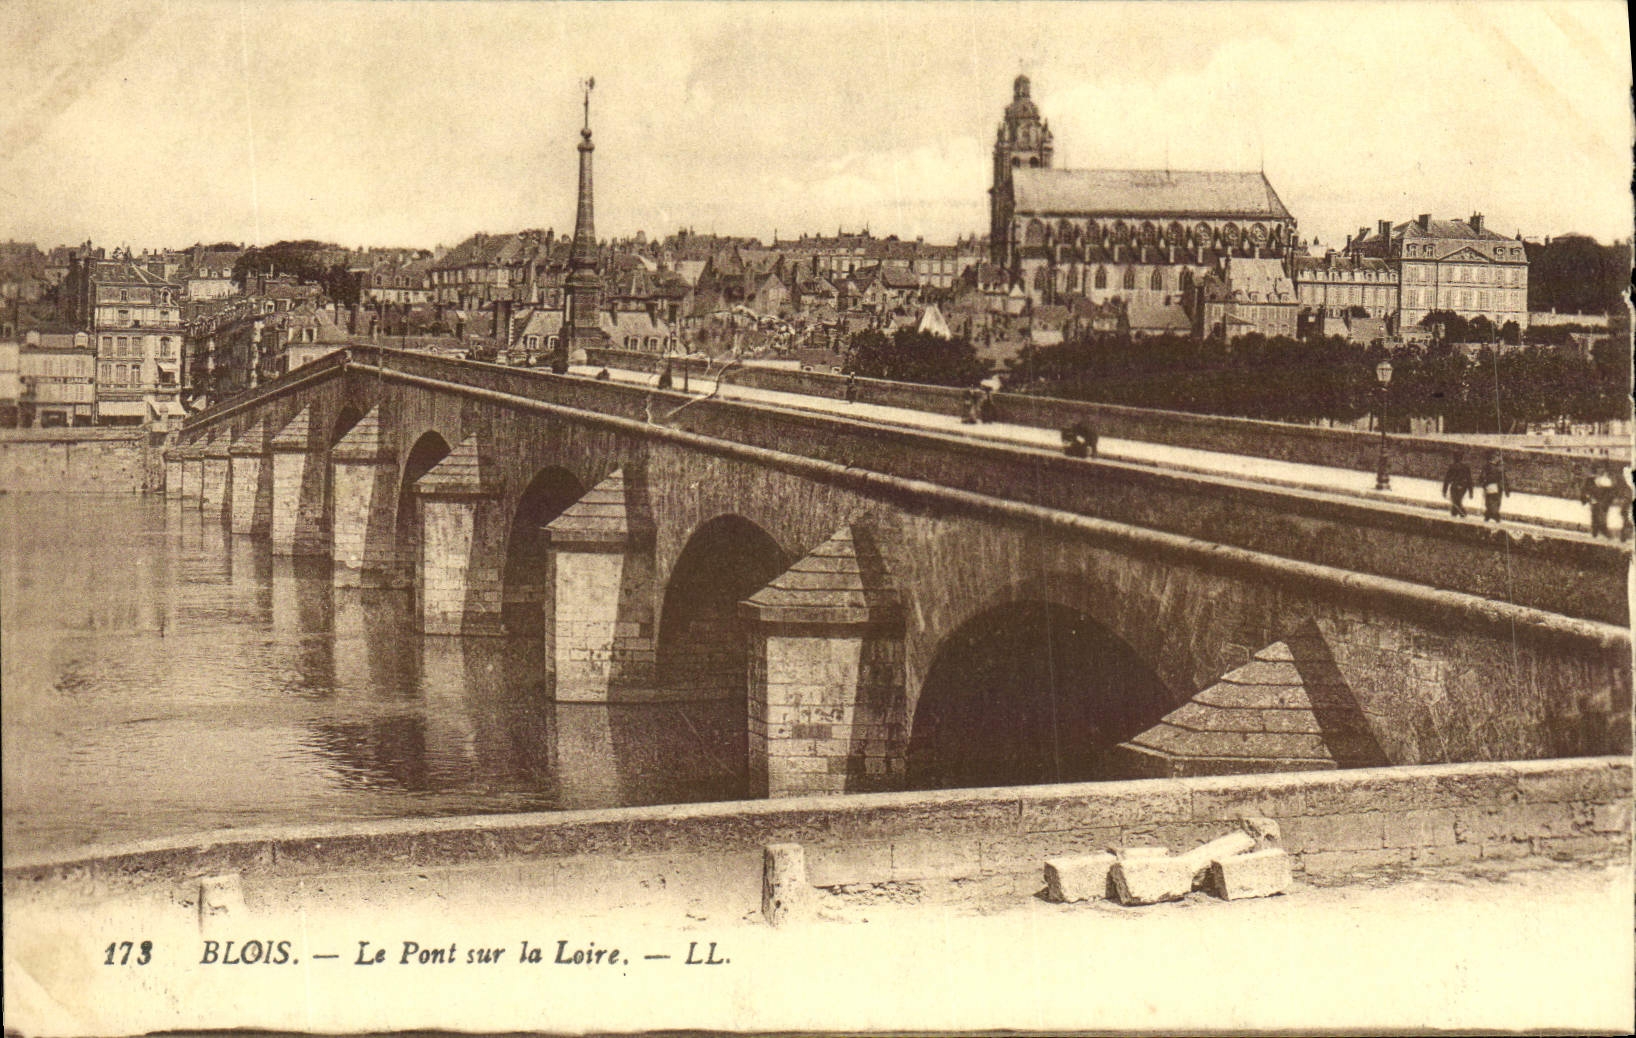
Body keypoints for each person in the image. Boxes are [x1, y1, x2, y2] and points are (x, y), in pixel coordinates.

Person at [1581, 462, 1624, 539]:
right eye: (1599, 469)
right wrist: (1588, 497)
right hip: (1596, 497)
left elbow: (1610, 488)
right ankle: (1597, 529)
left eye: (1602, 469)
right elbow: (1586, 489)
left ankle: (1600, 529)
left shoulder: (1607, 480)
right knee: (1596, 512)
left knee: (1601, 512)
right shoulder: (1590, 480)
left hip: (1602, 498)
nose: (1600, 471)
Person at [1441, 452, 1472, 518]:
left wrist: (1444, 490)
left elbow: (1447, 479)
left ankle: (1461, 514)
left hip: (1455, 486)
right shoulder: (1465, 467)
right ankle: (1457, 514)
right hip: (1462, 487)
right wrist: (1470, 492)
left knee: (1456, 501)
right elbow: (1469, 480)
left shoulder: (1452, 467)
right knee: (1456, 501)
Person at [1479, 453, 1507, 522]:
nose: (1499, 459)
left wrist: (1483, 483)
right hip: (1493, 486)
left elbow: (1482, 477)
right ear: (1494, 458)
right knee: (1493, 501)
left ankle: (1489, 515)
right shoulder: (1495, 467)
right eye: (1497, 457)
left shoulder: (1490, 466)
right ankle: (1494, 515)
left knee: (1490, 501)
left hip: (1492, 486)